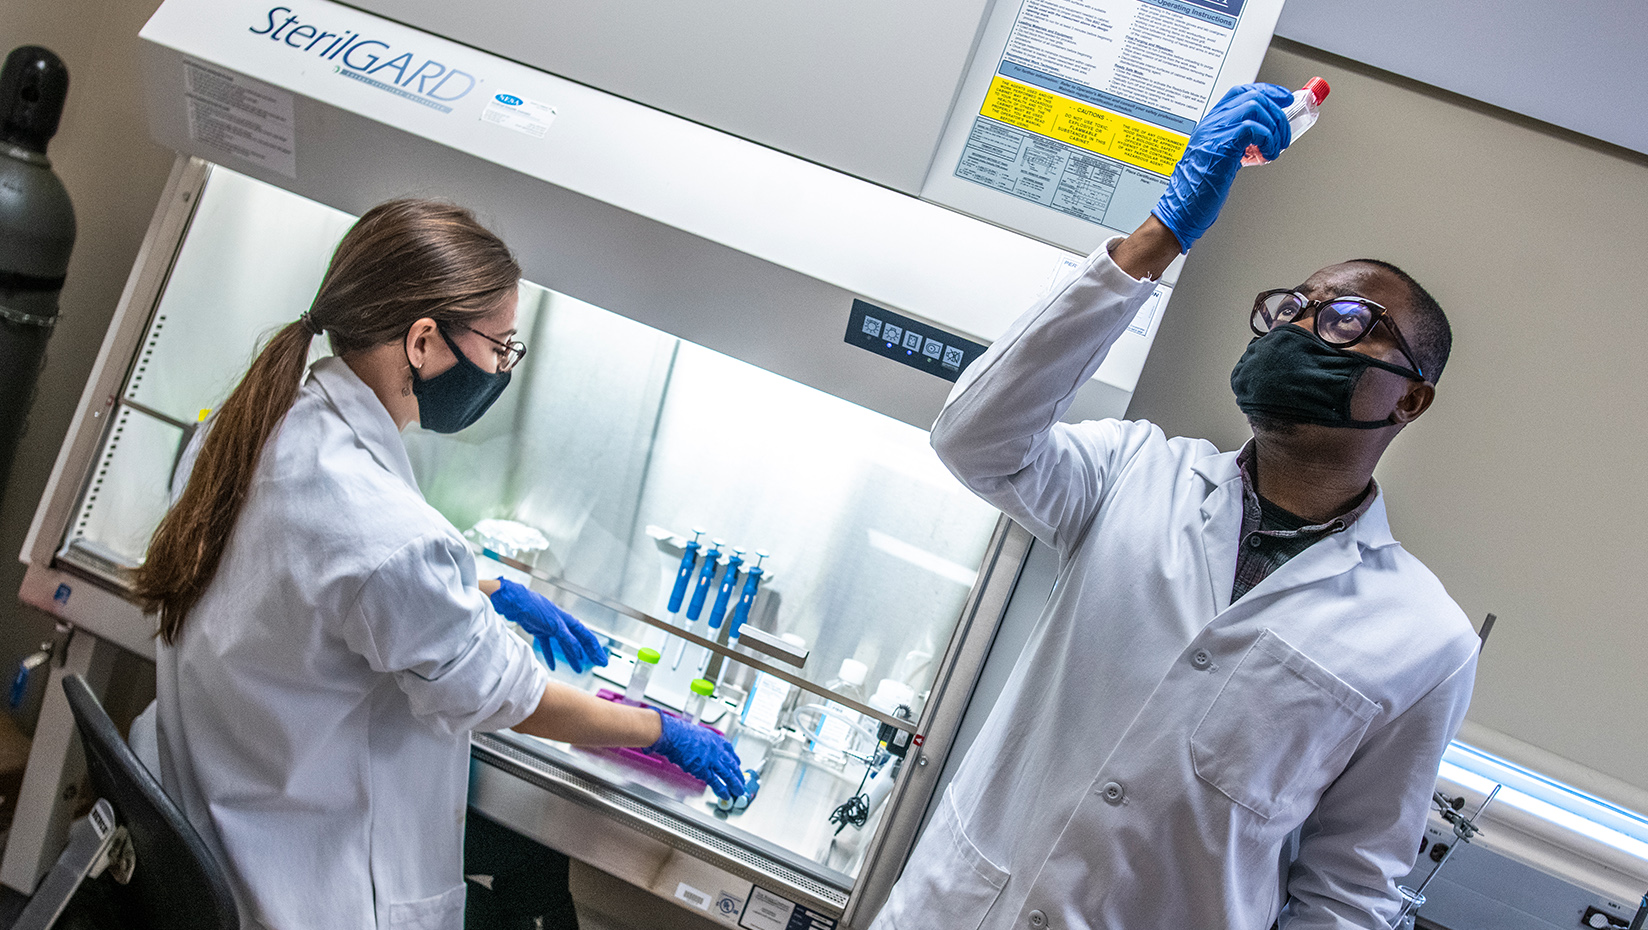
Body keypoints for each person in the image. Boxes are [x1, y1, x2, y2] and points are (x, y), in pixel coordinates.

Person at [870, 84, 1479, 930]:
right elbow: (976, 439)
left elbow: (1345, 898)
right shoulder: (1136, 473)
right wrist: (1159, 237)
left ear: (1410, 401)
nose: (1300, 329)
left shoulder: (1423, 641)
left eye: (1346, 320)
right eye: (1288, 310)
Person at [132, 199, 744, 929]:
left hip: (222, 829)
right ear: (423, 342)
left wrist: (487, 586)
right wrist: (660, 731)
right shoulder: (385, 530)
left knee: (530, 870)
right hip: (300, 886)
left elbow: (312, 574)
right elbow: (515, 699)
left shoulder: (256, 427)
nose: (502, 366)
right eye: (501, 345)